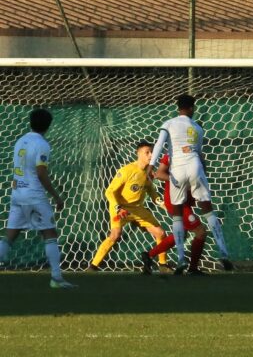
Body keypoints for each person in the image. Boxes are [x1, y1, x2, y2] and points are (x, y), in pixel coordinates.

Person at [147, 94, 232, 273]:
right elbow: (200, 155)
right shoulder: (197, 128)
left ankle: (180, 260)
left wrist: (151, 165)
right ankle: (223, 252)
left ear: (178, 107)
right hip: (195, 166)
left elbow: (159, 143)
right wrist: (203, 175)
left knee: (177, 218)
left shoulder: (169, 124)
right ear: (192, 108)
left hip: (177, 169)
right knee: (208, 211)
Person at [0, 109, 76, 288]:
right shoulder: (42, 144)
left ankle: (57, 278)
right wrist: (57, 196)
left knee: (9, 236)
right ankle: (56, 278)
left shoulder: (20, 141)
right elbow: (41, 172)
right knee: (49, 234)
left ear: (30, 122)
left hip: (17, 193)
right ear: (48, 126)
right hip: (34, 195)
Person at [88, 140, 170, 272]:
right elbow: (109, 191)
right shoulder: (126, 171)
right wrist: (117, 208)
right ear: (138, 154)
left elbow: (153, 194)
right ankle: (93, 267)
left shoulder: (149, 174)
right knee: (115, 235)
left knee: (160, 233)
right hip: (121, 209)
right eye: (147, 152)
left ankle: (163, 265)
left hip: (138, 209)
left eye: (152, 153)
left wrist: (164, 205)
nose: (150, 155)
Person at [141, 153, 209, 276]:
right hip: (176, 201)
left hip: (185, 200)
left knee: (181, 233)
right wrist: (180, 181)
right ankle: (193, 269)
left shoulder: (196, 152)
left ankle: (149, 255)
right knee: (200, 232)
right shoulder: (172, 154)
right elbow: (160, 174)